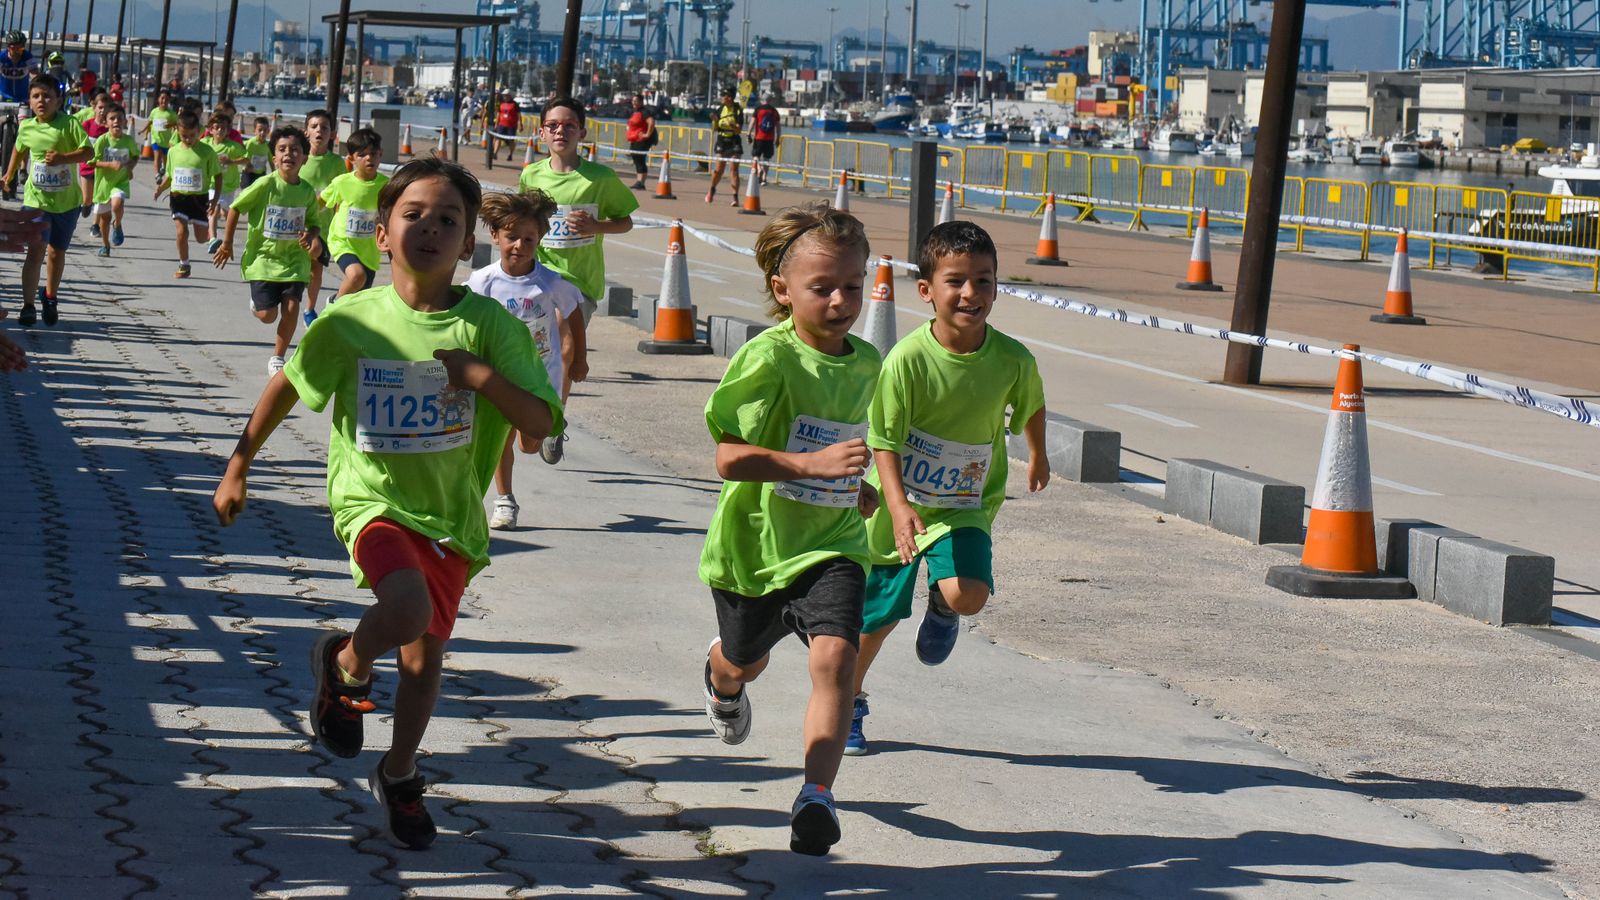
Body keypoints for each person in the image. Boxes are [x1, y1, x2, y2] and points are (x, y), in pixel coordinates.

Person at [211, 157, 563, 852]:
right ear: (382, 232)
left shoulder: (492, 327)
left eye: (448, 221)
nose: (429, 229)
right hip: (370, 500)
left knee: (424, 661)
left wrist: (478, 376)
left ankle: (399, 773)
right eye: (414, 215)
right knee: (403, 610)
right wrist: (238, 465)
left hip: (451, 517)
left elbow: (541, 421)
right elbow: (289, 385)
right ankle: (344, 662)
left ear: (469, 245)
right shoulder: (352, 320)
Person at [699, 202, 881, 857]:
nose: (841, 301)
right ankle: (721, 679)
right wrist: (810, 464)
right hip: (755, 549)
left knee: (836, 659)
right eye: (823, 288)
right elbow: (727, 458)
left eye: (853, 286)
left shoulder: (867, 364)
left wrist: (852, 485)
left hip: (832, 544)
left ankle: (816, 796)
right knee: (744, 657)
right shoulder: (768, 359)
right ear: (783, 290)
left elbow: (848, 442)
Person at [844, 221, 1050, 757]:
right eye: (956, 281)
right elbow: (884, 440)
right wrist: (897, 503)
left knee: (969, 594)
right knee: (874, 621)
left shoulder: (1012, 358)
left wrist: (1039, 453)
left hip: (965, 503)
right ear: (926, 290)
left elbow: (1030, 404)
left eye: (984, 280)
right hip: (896, 504)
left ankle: (942, 603)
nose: (970, 294)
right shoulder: (907, 360)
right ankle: (850, 702)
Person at [517, 96, 635, 464]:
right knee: (544, 351)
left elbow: (626, 220)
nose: (561, 131)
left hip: (580, 282)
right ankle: (543, 409)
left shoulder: (599, 179)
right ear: (541, 133)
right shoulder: (531, 175)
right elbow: (525, 223)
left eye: (569, 125)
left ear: (582, 132)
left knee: (564, 349)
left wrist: (596, 226)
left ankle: (554, 418)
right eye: (553, 125)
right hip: (541, 276)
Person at [466, 189, 584, 531]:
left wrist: (579, 359)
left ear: (540, 238)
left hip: (539, 376)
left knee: (529, 444)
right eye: (511, 237)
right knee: (501, 439)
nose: (519, 245)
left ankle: (547, 435)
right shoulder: (483, 281)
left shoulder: (548, 282)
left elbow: (573, 313)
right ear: (495, 236)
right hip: (500, 376)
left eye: (528, 239)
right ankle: (505, 501)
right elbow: (465, 317)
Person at [211, 124, 320, 376]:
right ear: (274, 158)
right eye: (282, 149)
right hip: (263, 259)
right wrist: (226, 243)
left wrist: (310, 234)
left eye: (294, 150)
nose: (288, 154)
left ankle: (278, 357)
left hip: (294, 260)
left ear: (304, 158)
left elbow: (314, 223)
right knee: (268, 315)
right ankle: (257, 305)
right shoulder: (265, 185)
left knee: (292, 307)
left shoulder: (306, 192)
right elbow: (236, 207)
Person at [0, 73, 92, 326]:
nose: (42, 101)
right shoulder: (27, 127)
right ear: (29, 101)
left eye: (47, 96)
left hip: (66, 202)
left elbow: (88, 151)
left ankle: (50, 296)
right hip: (36, 199)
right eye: (36, 96)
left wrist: (63, 158)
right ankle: (28, 305)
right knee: (35, 251)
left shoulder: (69, 124)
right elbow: (19, 149)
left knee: (56, 253)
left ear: (58, 100)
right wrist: (8, 175)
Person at [317, 127, 389, 301]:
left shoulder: (387, 185)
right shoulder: (343, 182)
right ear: (351, 158)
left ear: (381, 154)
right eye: (362, 154)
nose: (369, 158)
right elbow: (320, 202)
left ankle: (339, 303)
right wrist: (306, 223)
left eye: (373, 153)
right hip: (343, 242)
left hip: (369, 248)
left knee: (359, 297)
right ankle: (334, 306)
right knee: (357, 276)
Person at [154, 109, 222, 279]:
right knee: (181, 232)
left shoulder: (207, 152)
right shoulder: (173, 151)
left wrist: (214, 200)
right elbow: (170, 176)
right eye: (184, 136)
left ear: (199, 131)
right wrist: (160, 189)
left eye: (192, 135)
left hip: (199, 200)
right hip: (178, 198)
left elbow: (218, 176)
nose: (188, 139)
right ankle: (184, 263)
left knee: (200, 238)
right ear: (177, 131)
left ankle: (209, 237)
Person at [299, 108, 345, 323]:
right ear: (306, 131)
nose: (319, 131)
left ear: (332, 134)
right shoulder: (298, 158)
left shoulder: (336, 163)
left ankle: (309, 309)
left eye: (325, 128)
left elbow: (342, 195)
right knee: (298, 265)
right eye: (314, 126)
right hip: (297, 224)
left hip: (324, 226)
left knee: (316, 269)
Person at [89, 103, 138, 257]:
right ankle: (105, 245)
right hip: (103, 185)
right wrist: (109, 164)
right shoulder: (102, 141)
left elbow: (135, 156)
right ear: (106, 122)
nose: (116, 121)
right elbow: (92, 162)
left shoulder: (129, 140)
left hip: (120, 182)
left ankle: (117, 224)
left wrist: (129, 167)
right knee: (104, 218)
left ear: (125, 122)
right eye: (112, 118)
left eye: (120, 118)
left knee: (117, 204)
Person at [203, 111, 248, 251]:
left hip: (228, 186)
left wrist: (231, 161)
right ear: (210, 130)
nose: (220, 130)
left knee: (227, 213)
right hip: (211, 184)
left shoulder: (232, 146)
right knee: (214, 210)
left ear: (228, 130)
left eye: (223, 128)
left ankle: (228, 236)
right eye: (216, 127)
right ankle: (212, 239)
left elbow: (246, 159)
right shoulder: (204, 144)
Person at [705, 87, 742, 206]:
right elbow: (714, 129)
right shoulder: (720, 109)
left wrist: (732, 126)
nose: (721, 97)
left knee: (734, 170)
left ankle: (735, 197)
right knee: (718, 170)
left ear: (729, 97)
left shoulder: (737, 110)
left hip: (734, 141)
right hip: (722, 141)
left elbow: (738, 130)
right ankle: (712, 189)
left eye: (723, 95)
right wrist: (715, 121)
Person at [77, 90, 108, 221]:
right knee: (87, 198)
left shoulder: (109, 128)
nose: (102, 111)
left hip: (103, 168)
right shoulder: (87, 125)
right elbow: (80, 143)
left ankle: (96, 225)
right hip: (87, 166)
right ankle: (86, 205)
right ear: (94, 107)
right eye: (100, 107)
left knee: (100, 198)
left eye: (106, 108)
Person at [140, 88, 177, 180]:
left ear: (169, 101)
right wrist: (144, 131)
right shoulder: (154, 111)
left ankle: (164, 168)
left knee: (164, 158)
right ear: (158, 99)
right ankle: (157, 175)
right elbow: (150, 122)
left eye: (166, 99)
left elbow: (177, 123)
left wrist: (170, 125)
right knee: (157, 156)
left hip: (166, 141)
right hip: (155, 139)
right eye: (162, 98)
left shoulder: (171, 114)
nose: (164, 101)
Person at [624, 93, 656, 190]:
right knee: (636, 159)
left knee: (640, 159)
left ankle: (641, 182)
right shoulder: (635, 112)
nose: (634, 102)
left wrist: (647, 134)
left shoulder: (644, 112)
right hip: (634, 139)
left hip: (642, 140)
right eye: (633, 101)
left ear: (641, 102)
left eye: (636, 101)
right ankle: (638, 181)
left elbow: (651, 122)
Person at [748, 92, 780, 185]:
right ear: (770, 100)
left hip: (759, 137)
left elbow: (752, 123)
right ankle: (764, 178)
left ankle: (759, 169)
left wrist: (748, 134)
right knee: (767, 158)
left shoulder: (758, 109)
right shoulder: (774, 111)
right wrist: (777, 138)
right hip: (770, 139)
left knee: (756, 156)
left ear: (762, 100)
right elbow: (778, 127)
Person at [241, 115, 270, 190]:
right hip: (249, 173)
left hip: (261, 173)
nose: (262, 133)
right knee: (245, 191)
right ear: (254, 131)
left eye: (265, 130)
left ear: (268, 131)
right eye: (260, 130)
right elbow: (246, 157)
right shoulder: (251, 143)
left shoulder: (268, 145)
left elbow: (271, 161)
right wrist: (248, 165)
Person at [494, 91, 520, 160]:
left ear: (509, 96)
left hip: (511, 126)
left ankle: (510, 154)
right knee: (498, 138)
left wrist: (520, 124)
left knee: (511, 141)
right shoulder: (501, 104)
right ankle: (495, 153)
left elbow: (518, 115)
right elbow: (498, 115)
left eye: (506, 95)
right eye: (504, 96)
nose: (505, 97)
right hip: (502, 124)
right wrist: (496, 124)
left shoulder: (514, 104)